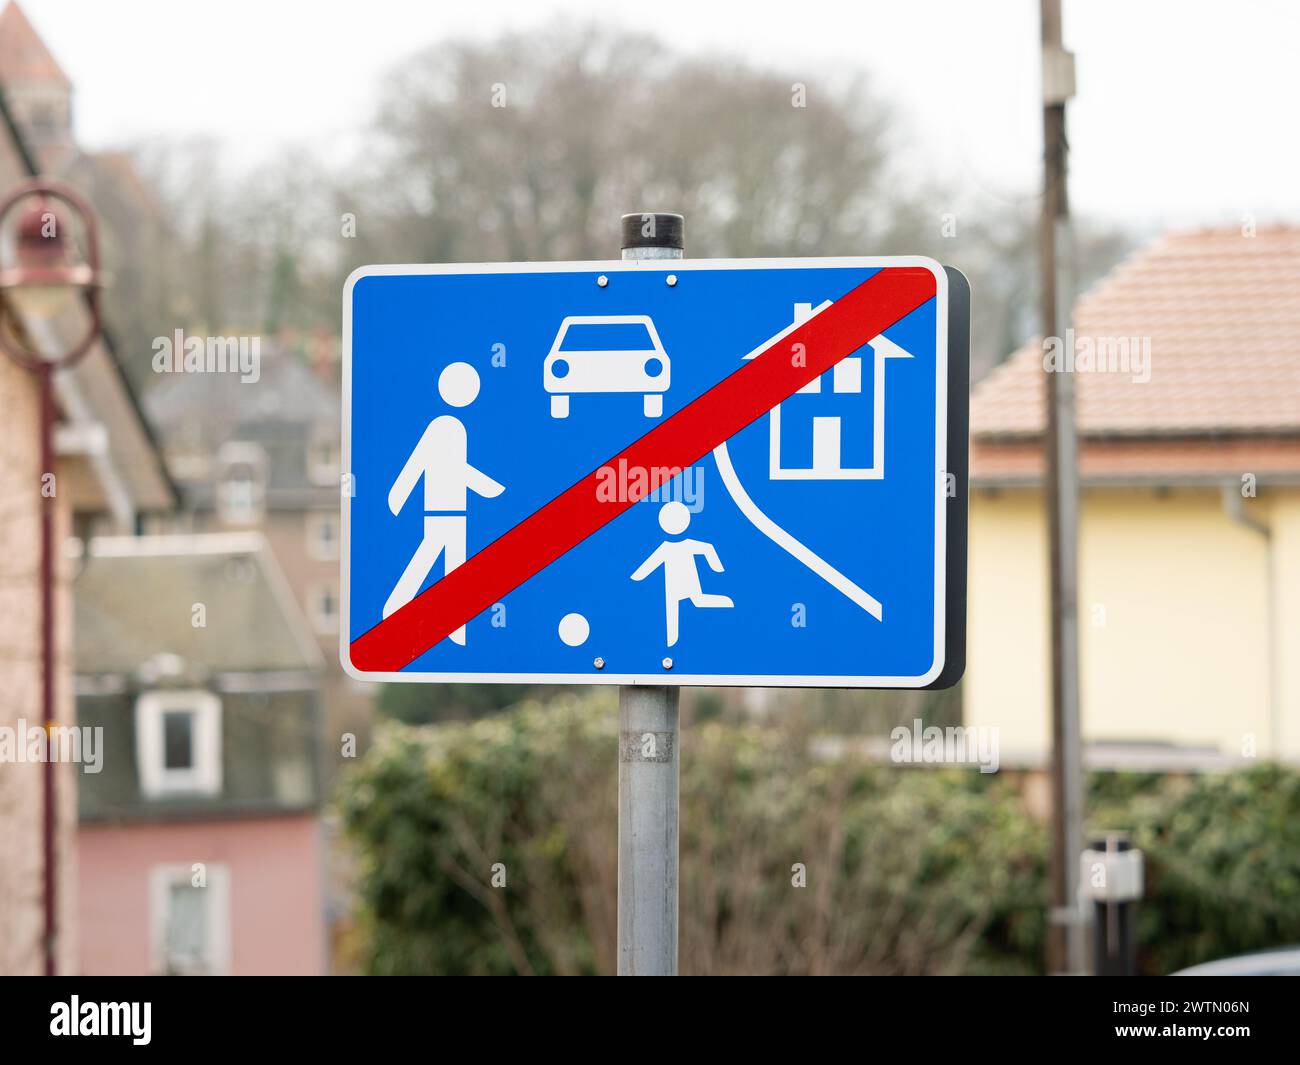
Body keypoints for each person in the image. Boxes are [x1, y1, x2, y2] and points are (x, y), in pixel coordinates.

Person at [383, 362, 504, 644]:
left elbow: (454, 467)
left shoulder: (455, 427)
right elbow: (422, 463)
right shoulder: (444, 427)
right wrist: (398, 495)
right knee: (430, 557)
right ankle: (395, 608)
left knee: (454, 569)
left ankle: (455, 629)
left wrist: (485, 487)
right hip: (441, 509)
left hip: (456, 510)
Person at [631, 501, 733, 647]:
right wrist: (637, 576)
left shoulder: (672, 547)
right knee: (680, 606)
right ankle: (671, 642)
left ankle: (726, 603)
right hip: (674, 585)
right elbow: (708, 548)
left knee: (692, 602)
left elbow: (707, 548)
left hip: (684, 582)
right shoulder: (667, 547)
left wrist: (717, 567)